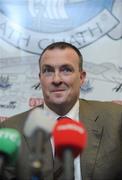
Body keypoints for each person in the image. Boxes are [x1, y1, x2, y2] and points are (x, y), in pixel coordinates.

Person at [0, 42, 122, 180]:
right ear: (40, 78)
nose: (56, 79)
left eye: (66, 70)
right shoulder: (10, 129)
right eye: (48, 71)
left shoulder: (117, 119)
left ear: (81, 77)